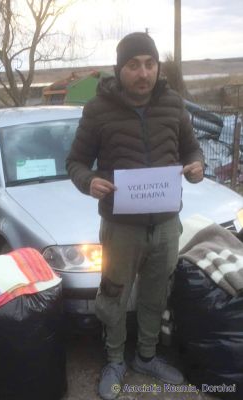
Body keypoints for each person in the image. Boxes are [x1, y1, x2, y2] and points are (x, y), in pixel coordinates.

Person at [66, 32, 204, 400]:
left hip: (165, 225)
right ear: (120, 69)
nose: (143, 73)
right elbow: (76, 161)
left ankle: (146, 355)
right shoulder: (98, 110)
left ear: (157, 67)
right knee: (113, 292)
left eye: (149, 64)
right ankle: (113, 360)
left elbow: (192, 147)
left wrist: (196, 167)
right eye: (134, 65)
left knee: (156, 293)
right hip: (120, 225)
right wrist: (89, 180)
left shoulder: (174, 104)